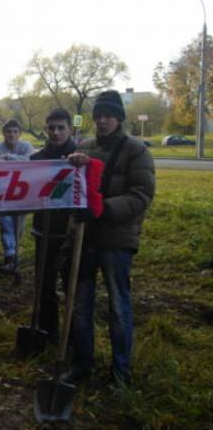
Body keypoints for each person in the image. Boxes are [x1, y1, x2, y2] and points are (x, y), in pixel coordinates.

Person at [63, 90, 155, 386]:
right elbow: (72, 188)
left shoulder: (136, 151)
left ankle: (120, 373)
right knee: (80, 305)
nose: (102, 121)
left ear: (119, 118)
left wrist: (103, 209)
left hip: (117, 239)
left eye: (108, 116)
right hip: (85, 238)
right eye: (98, 116)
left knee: (118, 306)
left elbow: (141, 194)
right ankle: (82, 365)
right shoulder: (84, 148)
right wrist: (72, 166)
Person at [29, 108, 77, 342]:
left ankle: (73, 337)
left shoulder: (80, 158)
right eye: (51, 128)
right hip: (44, 231)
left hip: (72, 232)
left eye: (61, 128)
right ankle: (49, 333)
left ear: (70, 129)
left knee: (72, 286)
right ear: (45, 129)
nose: (56, 132)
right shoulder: (37, 160)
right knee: (44, 286)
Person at [0, 119, 34, 274]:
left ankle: (15, 252)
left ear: (20, 133)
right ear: (3, 133)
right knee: (5, 224)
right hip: (2, 193)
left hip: (21, 193)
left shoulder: (26, 147)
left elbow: (31, 160)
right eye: (8, 131)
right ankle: (10, 256)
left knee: (18, 226)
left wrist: (9, 158)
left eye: (15, 131)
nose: (12, 134)